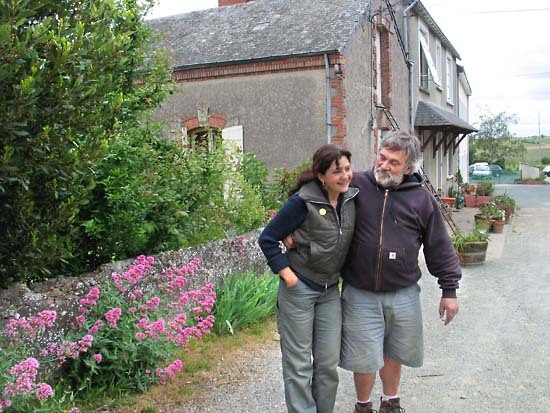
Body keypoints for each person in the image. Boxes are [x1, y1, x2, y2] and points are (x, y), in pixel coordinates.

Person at [339, 131, 462, 413]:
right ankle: (363, 406)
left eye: (393, 162)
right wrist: (291, 231)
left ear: (408, 168)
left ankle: (391, 403)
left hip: (403, 292)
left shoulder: (422, 199)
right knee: (365, 355)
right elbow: (316, 191)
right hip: (360, 291)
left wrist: (449, 290)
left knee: (394, 351)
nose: (383, 165)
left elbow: (439, 247)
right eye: (382, 157)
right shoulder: (355, 184)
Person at [258, 144, 358, 413]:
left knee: (327, 364)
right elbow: (267, 238)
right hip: (299, 289)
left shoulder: (351, 199)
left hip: (329, 292)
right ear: (321, 175)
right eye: (337, 171)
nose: (345, 176)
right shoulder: (302, 202)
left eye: (348, 169)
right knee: (299, 365)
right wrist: (288, 276)